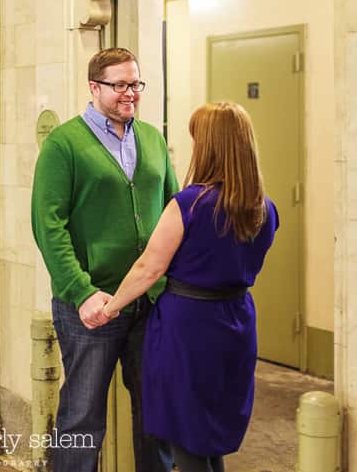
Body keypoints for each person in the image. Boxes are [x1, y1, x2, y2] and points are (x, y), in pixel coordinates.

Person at [98, 102, 279, 472]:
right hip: (237, 323)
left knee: (185, 435)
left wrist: (111, 306)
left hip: (188, 328)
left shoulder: (189, 205)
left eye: (197, 140)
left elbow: (149, 268)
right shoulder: (265, 209)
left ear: (210, 147)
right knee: (210, 435)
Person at [31, 47, 178, 472]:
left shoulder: (151, 137)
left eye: (136, 83)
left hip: (149, 303)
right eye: (120, 85)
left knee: (156, 415)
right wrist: (81, 292)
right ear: (94, 87)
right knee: (82, 417)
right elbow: (48, 226)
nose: (130, 93)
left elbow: (173, 208)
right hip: (90, 306)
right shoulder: (65, 144)